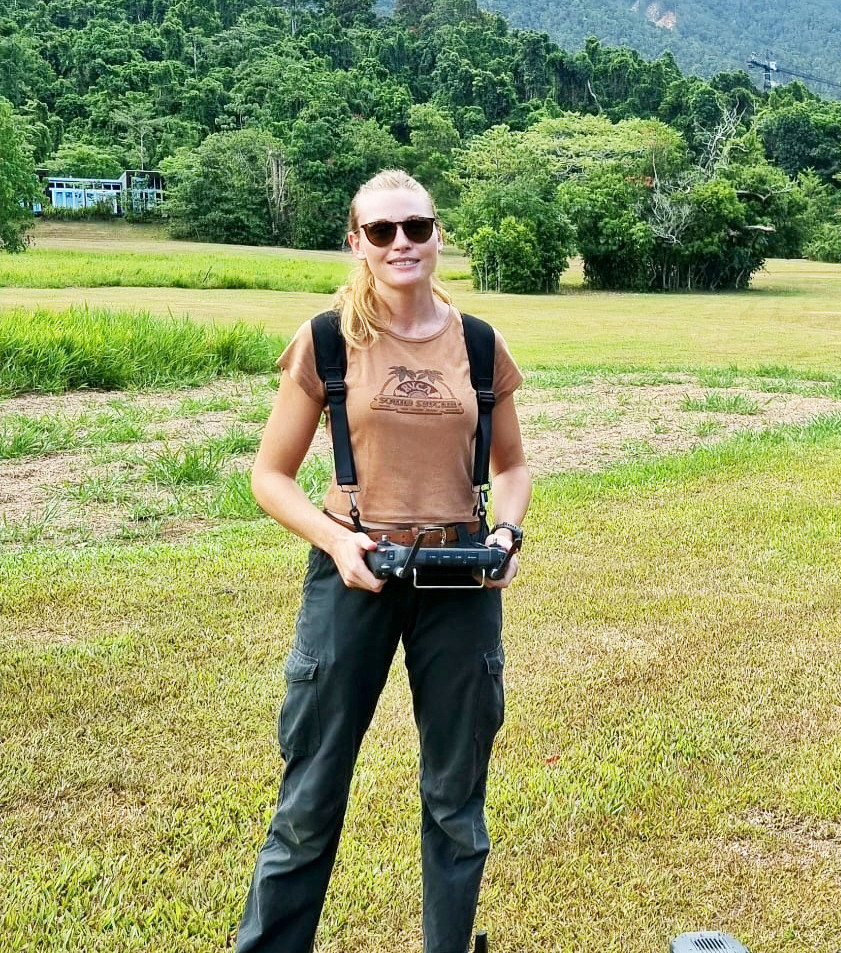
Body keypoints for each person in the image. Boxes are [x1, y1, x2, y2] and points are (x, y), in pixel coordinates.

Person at [236, 168, 530, 953]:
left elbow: (511, 465)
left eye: (417, 227)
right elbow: (269, 476)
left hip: (459, 582)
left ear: (439, 234)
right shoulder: (329, 339)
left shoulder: (478, 343)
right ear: (356, 242)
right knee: (309, 801)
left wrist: (505, 533)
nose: (402, 242)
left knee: (456, 804)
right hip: (353, 572)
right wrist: (336, 539)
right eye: (382, 230)